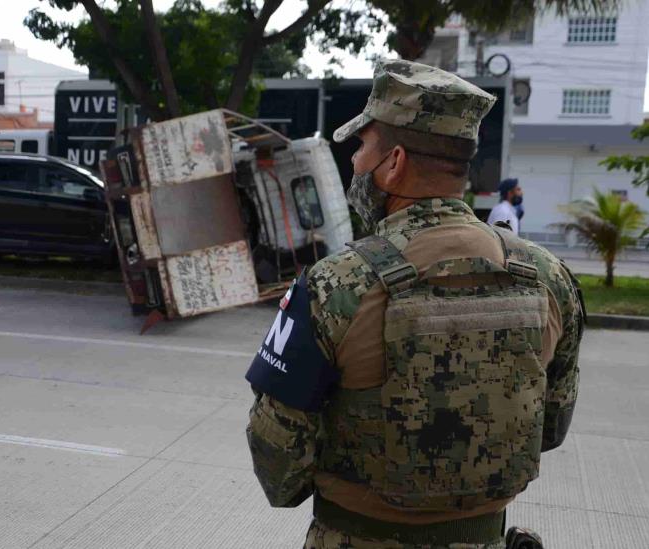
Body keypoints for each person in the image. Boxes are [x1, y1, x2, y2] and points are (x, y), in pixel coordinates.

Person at [245, 59, 584, 549]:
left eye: (362, 147)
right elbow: (549, 428)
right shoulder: (549, 279)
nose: (356, 163)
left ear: (395, 162)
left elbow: (277, 462)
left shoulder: (334, 286)